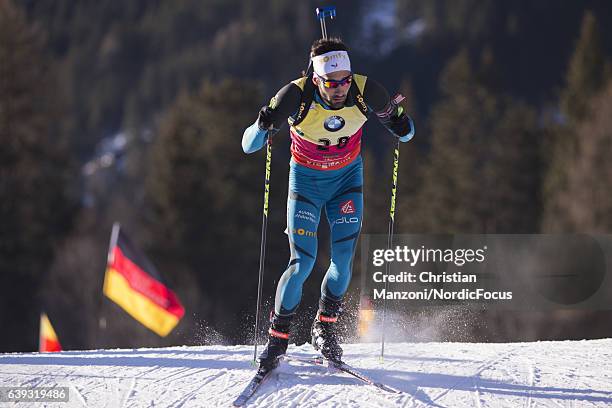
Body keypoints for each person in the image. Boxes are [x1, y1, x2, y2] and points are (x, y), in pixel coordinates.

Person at [242, 37, 414, 370]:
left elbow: (406, 134)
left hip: (347, 183)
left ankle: (324, 328)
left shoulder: (367, 92)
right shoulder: (295, 96)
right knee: (302, 262)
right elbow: (249, 145)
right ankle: (278, 338)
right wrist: (262, 124)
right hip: (305, 183)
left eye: (345, 81)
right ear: (317, 79)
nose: (340, 90)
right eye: (332, 84)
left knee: (343, 259)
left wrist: (401, 123)